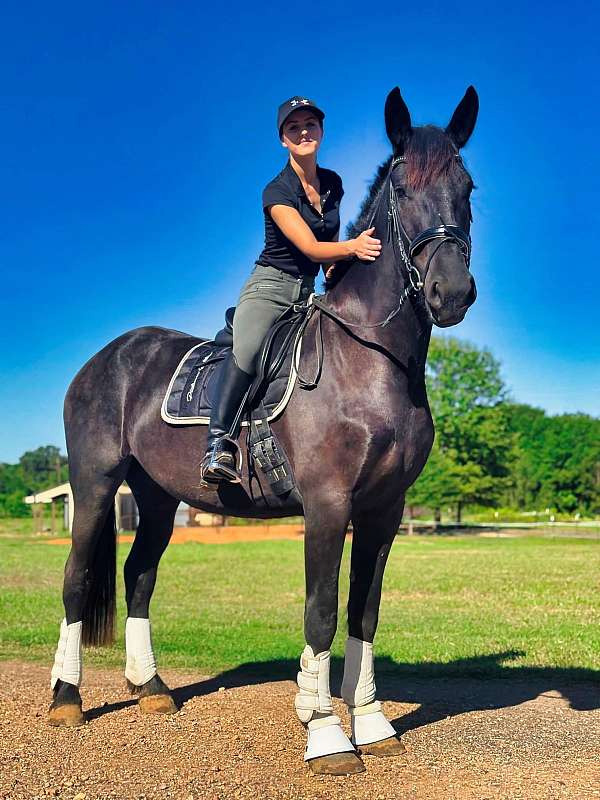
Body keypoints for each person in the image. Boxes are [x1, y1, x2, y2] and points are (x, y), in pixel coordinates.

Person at [200, 95, 382, 484]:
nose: (303, 132)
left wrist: (337, 267)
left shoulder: (333, 183)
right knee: (247, 350)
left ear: (321, 131)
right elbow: (310, 247)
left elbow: (326, 244)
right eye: (294, 127)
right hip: (271, 286)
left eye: (310, 125)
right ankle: (217, 445)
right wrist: (352, 248)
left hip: (308, 290)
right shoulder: (276, 191)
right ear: (283, 139)